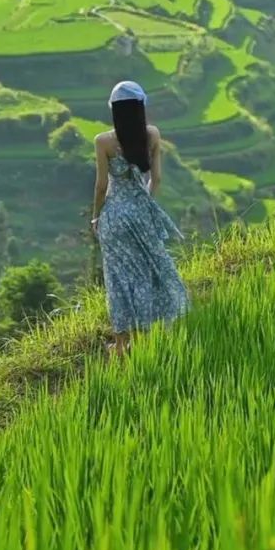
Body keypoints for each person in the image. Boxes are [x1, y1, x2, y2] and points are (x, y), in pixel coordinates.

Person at [92, 80, 189, 357]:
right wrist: (142, 203)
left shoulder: (103, 142)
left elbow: (101, 186)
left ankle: (121, 345)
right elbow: (155, 179)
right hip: (141, 211)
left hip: (114, 217)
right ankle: (147, 335)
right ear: (140, 108)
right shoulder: (152, 135)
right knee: (149, 271)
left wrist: (95, 217)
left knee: (119, 279)